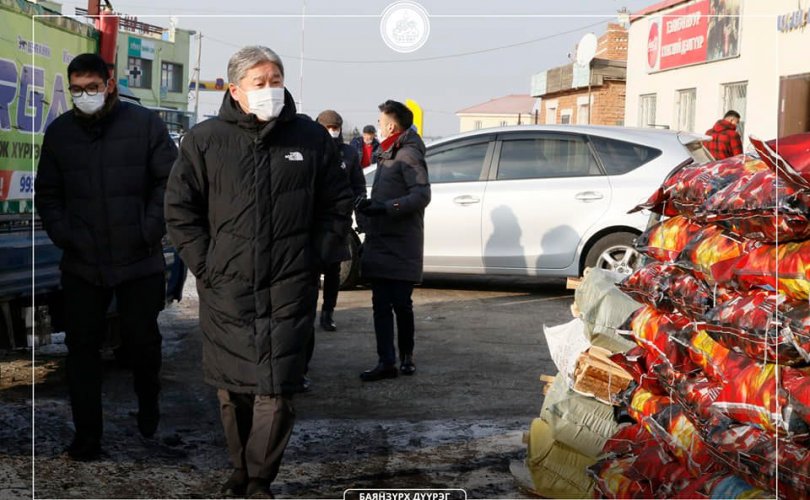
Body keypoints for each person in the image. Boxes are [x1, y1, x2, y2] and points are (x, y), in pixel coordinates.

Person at [164, 46, 352, 498]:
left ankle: (258, 479)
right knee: (234, 389)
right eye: (259, 82)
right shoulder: (205, 140)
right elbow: (180, 210)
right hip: (228, 285)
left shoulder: (310, 139)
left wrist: (316, 256)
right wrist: (206, 265)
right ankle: (240, 469)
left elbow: (338, 202)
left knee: (278, 387)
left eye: (276, 79)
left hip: (291, 283)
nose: (271, 89)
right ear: (235, 90)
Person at [35, 53, 177, 460]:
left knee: (141, 343)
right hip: (83, 261)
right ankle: (87, 437)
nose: (84, 96)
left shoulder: (144, 124)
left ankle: (148, 402)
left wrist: (148, 230)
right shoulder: (60, 132)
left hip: (139, 259)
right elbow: (49, 193)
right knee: (81, 350)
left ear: (109, 84)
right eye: (76, 89)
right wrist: (65, 234)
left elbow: (168, 182)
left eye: (91, 88)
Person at [356, 100, 431, 382]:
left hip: (400, 243)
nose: (377, 125)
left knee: (401, 304)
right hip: (380, 240)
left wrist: (388, 207)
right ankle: (386, 361)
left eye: (380, 121)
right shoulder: (387, 153)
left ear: (391, 126)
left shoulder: (408, 154)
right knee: (380, 305)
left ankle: (406, 357)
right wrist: (368, 207)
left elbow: (422, 196)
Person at [314, 109, 367, 332]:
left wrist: (356, 207)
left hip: (338, 221)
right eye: (328, 128)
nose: (332, 132)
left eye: (336, 128)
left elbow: (358, 185)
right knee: (310, 269)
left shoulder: (348, 154)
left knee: (334, 270)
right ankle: (308, 311)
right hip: (312, 220)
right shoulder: (310, 149)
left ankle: (328, 312)